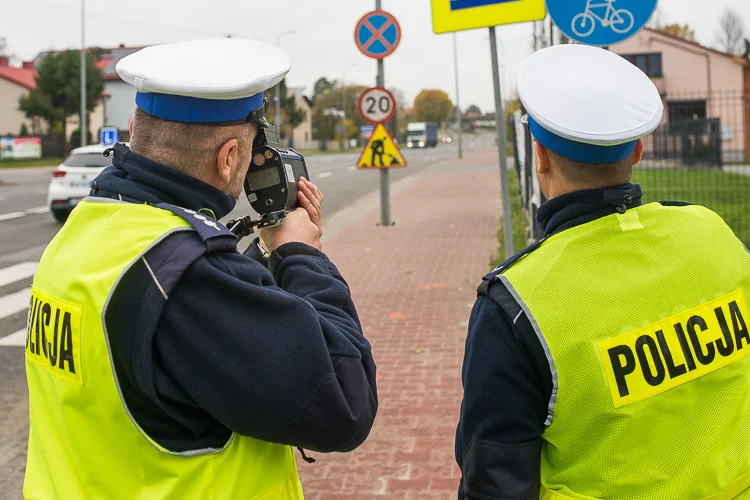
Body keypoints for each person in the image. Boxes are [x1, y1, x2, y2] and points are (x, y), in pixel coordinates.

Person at [24, 38, 377, 499]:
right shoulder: (186, 278)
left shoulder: (82, 234)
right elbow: (344, 406)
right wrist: (301, 256)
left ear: (134, 127)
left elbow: (177, 328)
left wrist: (267, 252)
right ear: (228, 156)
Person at [455, 44, 750, 499]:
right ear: (638, 149)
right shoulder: (712, 234)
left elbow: (494, 483)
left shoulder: (514, 305)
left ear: (540, 157)